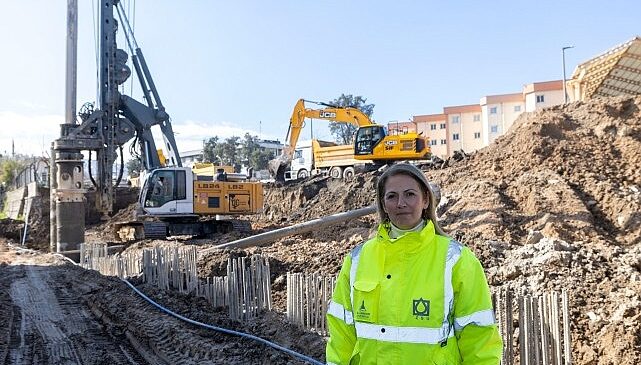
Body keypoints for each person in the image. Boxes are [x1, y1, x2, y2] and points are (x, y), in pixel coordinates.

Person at [326, 163, 502, 364]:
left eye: (410, 194)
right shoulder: (358, 260)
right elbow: (342, 334)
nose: (401, 203)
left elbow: (479, 338)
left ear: (426, 200)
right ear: (383, 204)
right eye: (392, 196)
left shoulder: (456, 260)